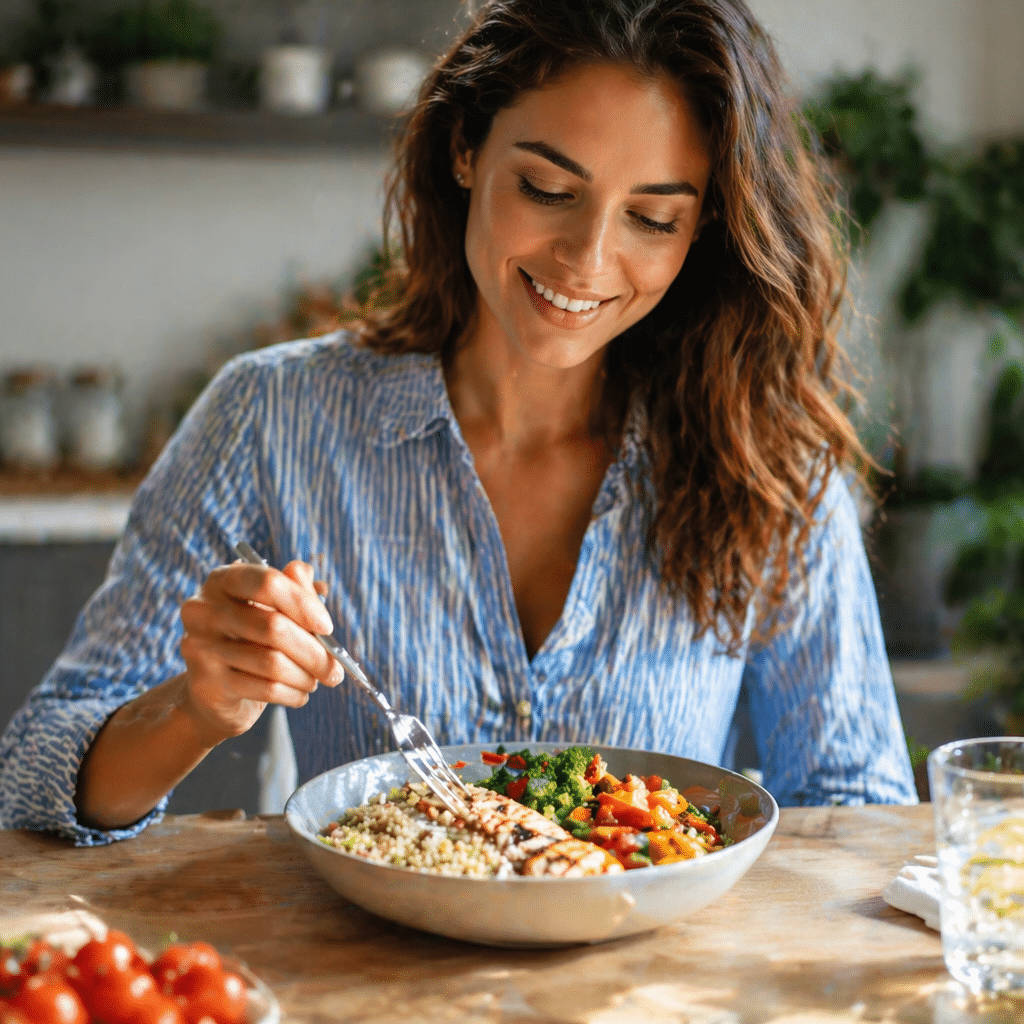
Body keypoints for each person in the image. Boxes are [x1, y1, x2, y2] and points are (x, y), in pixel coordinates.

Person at [0, 0, 917, 845]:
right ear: (466, 148)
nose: (589, 259)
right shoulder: (270, 416)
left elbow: (861, 812)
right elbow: (29, 781)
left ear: (704, 227)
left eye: (651, 217)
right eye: (548, 189)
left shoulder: (769, 463)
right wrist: (196, 710)